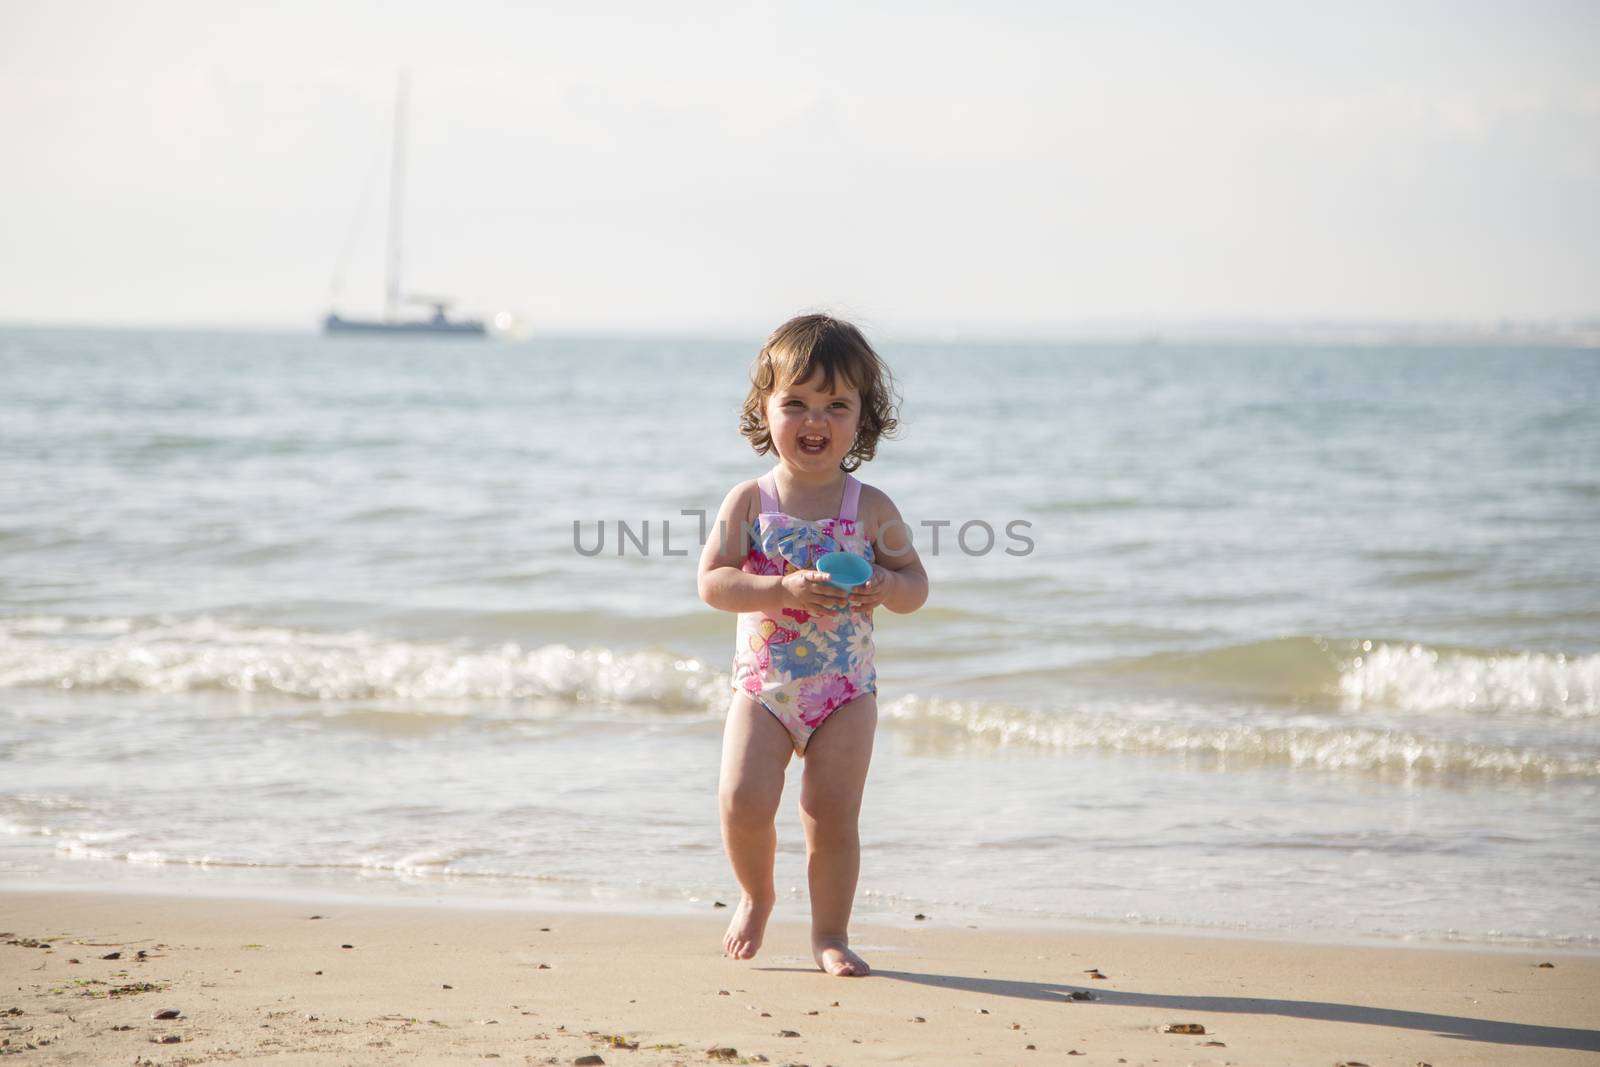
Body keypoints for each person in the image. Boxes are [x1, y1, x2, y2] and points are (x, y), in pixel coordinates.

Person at [696, 313, 929, 977]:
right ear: (763, 409)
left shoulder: (871, 507)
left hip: (846, 692)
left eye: (835, 404)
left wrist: (886, 581)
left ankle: (830, 932)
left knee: (830, 812)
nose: (813, 419)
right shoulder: (750, 501)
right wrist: (783, 588)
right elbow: (713, 582)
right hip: (763, 688)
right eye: (794, 402)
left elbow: (916, 585)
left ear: (863, 418)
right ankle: (756, 893)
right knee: (742, 799)